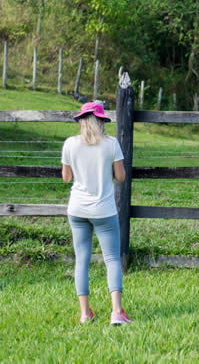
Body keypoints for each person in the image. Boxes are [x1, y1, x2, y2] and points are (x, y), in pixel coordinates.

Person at [61, 101, 131, 325]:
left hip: (78, 209)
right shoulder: (111, 144)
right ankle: (117, 312)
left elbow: (66, 178)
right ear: (101, 122)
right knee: (111, 259)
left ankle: (84, 314)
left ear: (82, 121)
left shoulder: (70, 144)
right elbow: (120, 177)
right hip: (104, 210)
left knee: (81, 260)